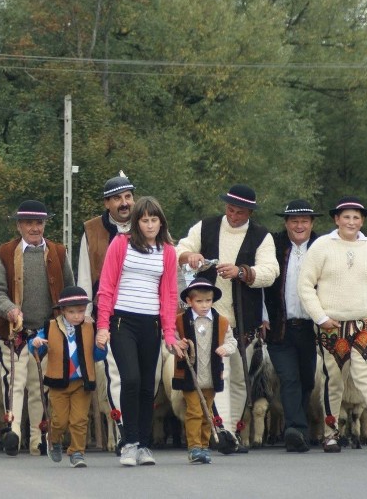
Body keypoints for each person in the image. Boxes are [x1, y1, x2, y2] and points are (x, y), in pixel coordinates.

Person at [297, 196, 367, 453]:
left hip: (364, 322)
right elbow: (304, 285)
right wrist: (320, 317)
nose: (351, 222)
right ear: (336, 219)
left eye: (356, 217)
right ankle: (331, 433)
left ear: (362, 220)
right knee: (334, 379)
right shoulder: (322, 246)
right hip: (332, 325)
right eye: (346, 217)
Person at [176, 184, 279, 450]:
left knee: (238, 376)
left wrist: (242, 272)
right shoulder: (205, 226)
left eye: (240, 212)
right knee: (214, 375)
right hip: (207, 316)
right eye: (230, 210)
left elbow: (270, 271)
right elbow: (179, 249)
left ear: (250, 213)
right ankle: (218, 429)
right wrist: (191, 256)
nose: (233, 216)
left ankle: (230, 431)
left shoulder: (262, 237)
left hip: (243, 317)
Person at [95, 196, 179, 467]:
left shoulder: (167, 251)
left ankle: (143, 444)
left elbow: (169, 295)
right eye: (145, 220)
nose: (150, 225)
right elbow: (106, 287)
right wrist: (102, 326)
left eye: (155, 220)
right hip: (122, 323)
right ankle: (129, 442)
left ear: (161, 222)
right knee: (129, 379)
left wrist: (169, 333)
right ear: (136, 222)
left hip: (150, 324)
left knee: (147, 385)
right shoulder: (121, 245)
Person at [0, 200, 74, 456]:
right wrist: (10, 310)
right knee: (15, 382)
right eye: (29, 223)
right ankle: (13, 432)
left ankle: (38, 439)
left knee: (40, 386)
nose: (35, 228)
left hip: (46, 331)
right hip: (14, 331)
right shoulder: (5, 253)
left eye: (39, 222)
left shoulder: (58, 253)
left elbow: (69, 290)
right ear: (19, 226)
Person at [75, 172, 137, 448]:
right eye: (117, 199)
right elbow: (85, 276)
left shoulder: (149, 222)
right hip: (108, 313)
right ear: (106, 204)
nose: (124, 203)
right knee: (117, 372)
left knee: (147, 375)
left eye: (127, 197)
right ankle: (123, 428)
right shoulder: (91, 230)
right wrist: (86, 315)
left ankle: (139, 427)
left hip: (144, 311)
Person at [263, 199, 321, 453]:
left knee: (308, 379)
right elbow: (263, 284)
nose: (299, 226)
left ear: (312, 223)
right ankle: (294, 430)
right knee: (289, 378)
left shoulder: (322, 247)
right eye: (294, 221)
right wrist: (263, 316)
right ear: (286, 223)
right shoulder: (273, 246)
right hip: (280, 327)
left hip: (311, 327)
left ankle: (302, 426)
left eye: (304, 221)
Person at [31, 286, 106, 468]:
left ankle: (77, 452)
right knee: (59, 420)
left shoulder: (90, 327)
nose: (76, 316)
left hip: (82, 382)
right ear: (62, 310)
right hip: (59, 384)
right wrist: (36, 343)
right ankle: (54, 439)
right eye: (71, 312)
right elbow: (36, 348)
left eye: (80, 311)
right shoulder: (50, 327)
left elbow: (97, 356)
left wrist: (101, 346)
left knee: (80, 420)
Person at [172, 278, 237, 465]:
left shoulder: (221, 321)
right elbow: (171, 342)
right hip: (190, 374)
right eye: (199, 301)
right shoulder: (181, 321)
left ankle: (203, 445)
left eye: (208, 301)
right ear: (190, 302)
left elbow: (231, 341)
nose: (204, 305)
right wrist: (178, 345)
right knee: (194, 410)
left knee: (207, 411)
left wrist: (226, 349)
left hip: (211, 375)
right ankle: (194, 447)